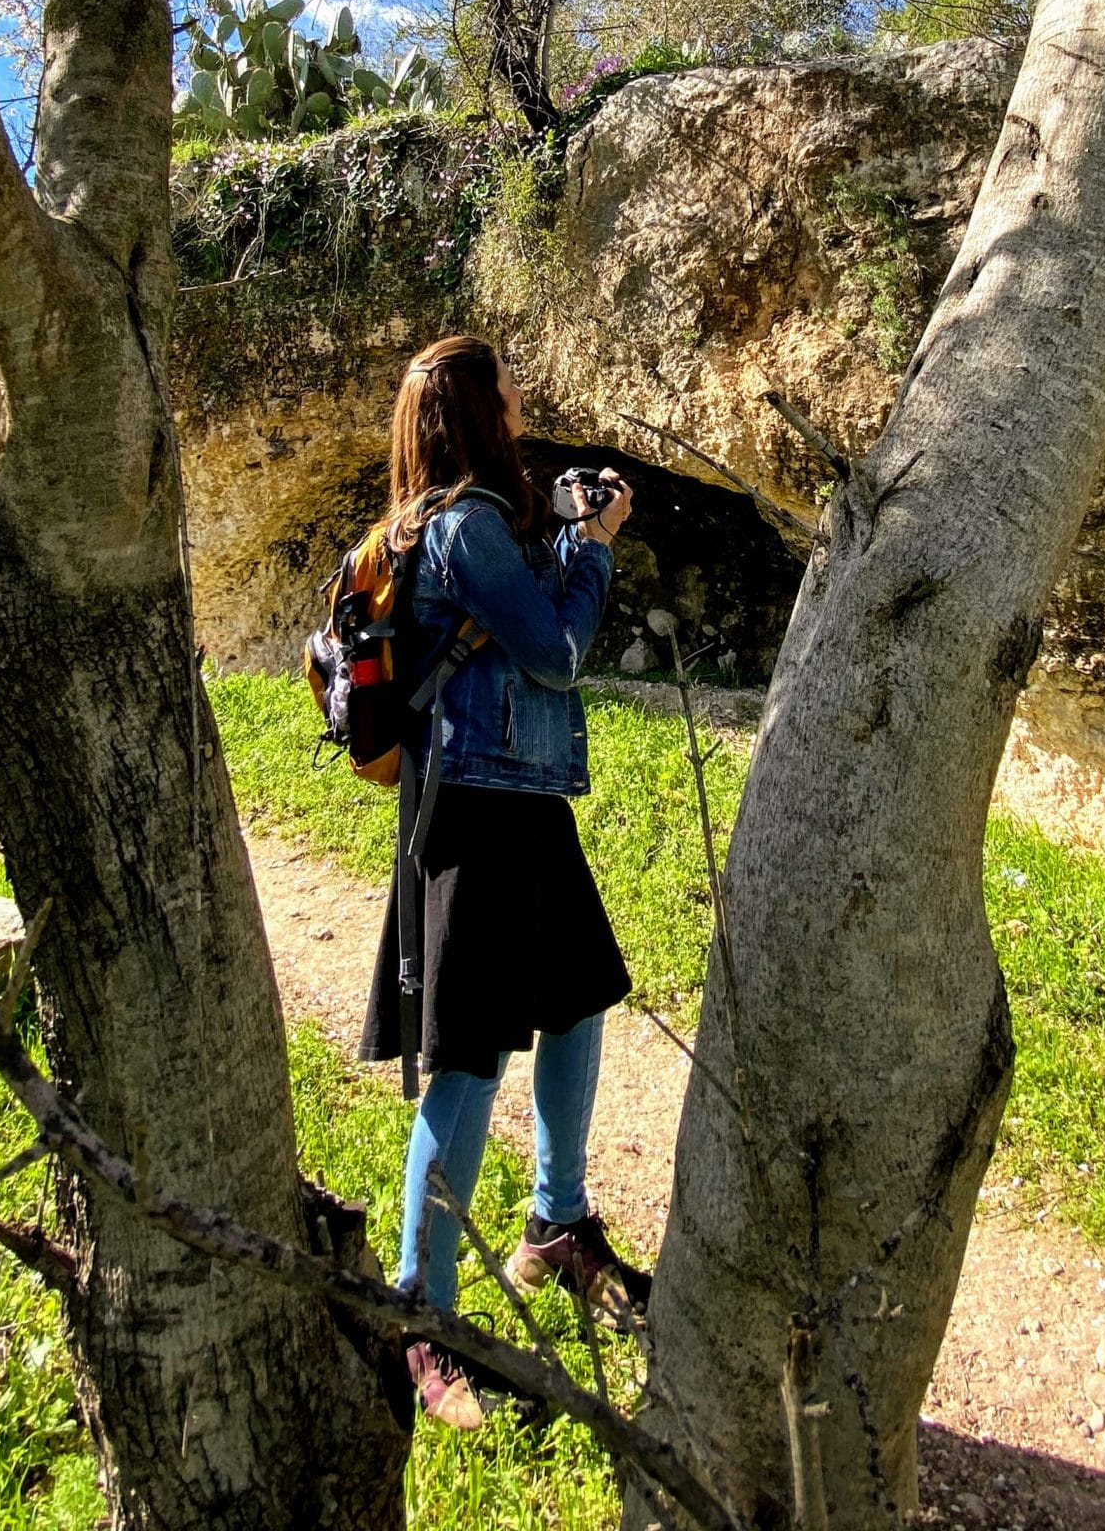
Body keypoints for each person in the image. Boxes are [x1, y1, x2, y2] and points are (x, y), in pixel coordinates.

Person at [359, 332, 648, 1430]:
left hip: (520, 800)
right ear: (477, 410)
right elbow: (557, 652)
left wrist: (567, 525)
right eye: (507, 391)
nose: (523, 402)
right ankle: (420, 1318)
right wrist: (596, 548)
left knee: (578, 1004)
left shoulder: (480, 519)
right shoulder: (462, 527)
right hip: (475, 812)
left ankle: (554, 1225)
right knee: (468, 1062)